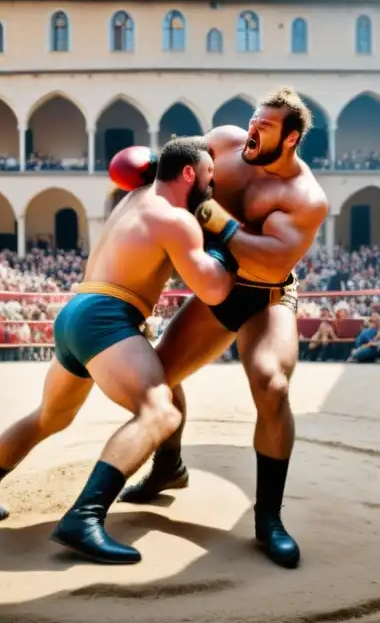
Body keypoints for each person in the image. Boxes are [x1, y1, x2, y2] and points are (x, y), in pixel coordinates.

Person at [0, 137, 236, 565]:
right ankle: (85, 516)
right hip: (106, 318)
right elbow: (213, 289)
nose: (213, 188)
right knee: (160, 411)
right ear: (189, 174)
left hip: (76, 312)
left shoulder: (132, 197)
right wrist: (225, 246)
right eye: (210, 176)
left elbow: (148, 172)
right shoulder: (176, 219)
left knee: (50, 417)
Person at [119, 87, 329, 570]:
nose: (253, 130)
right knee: (157, 379)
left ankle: (269, 519)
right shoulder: (225, 142)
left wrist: (211, 215)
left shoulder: (307, 198)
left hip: (268, 294)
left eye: (267, 127)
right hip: (219, 287)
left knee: (270, 383)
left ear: (292, 138)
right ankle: (168, 465)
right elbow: (178, 169)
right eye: (254, 120)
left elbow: (274, 256)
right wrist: (150, 165)